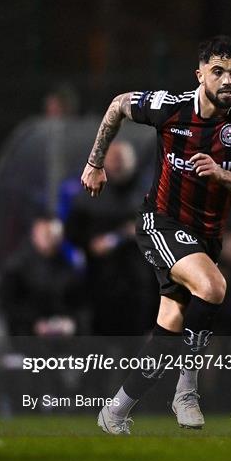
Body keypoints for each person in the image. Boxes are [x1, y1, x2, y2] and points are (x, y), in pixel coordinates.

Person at [80, 35, 231, 434]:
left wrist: (221, 173)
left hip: (207, 238)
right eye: (218, 71)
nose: (227, 81)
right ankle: (186, 391)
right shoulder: (171, 108)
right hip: (161, 224)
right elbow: (119, 104)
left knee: (169, 330)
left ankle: (114, 412)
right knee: (214, 287)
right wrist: (94, 163)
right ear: (200, 74)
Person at [66, 140, 158, 335]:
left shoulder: (149, 193)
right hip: (99, 283)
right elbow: (72, 232)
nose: (118, 164)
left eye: (122, 159)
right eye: (113, 159)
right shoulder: (88, 193)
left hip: (139, 283)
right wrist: (90, 244)